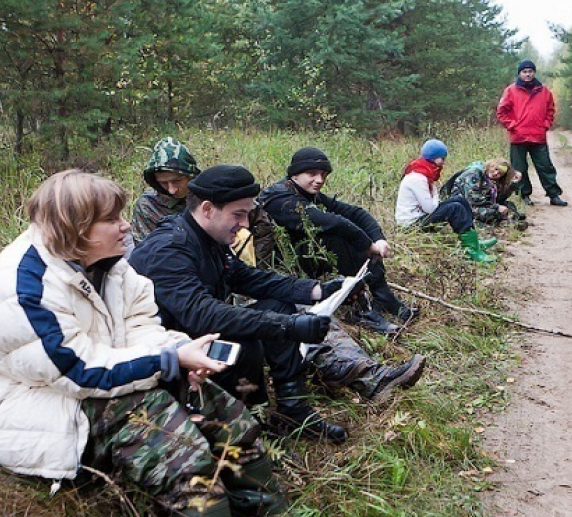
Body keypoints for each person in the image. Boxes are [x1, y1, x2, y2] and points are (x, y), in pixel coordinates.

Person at [0, 170, 286, 517]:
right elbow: (79, 371)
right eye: (111, 219)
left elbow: (140, 326)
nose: (125, 226)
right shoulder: (24, 288)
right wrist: (170, 362)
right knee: (172, 441)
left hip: (81, 376)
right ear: (74, 228)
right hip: (22, 404)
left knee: (223, 410)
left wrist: (178, 352)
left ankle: (269, 513)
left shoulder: (110, 264)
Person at [130, 165, 426, 445]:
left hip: (194, 340)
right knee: (257, 335)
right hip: (169, 357)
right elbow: (201, 314)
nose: (244, 224)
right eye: (238, 214)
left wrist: (317, 290)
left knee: (278, 307)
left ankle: (294, 412)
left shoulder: (207, 237)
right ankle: (248, 423)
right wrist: (287, 327)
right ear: (207, 209)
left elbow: (247, 278)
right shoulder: (168, 249)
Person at [260, 147, 414, 336]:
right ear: (295, 175)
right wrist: (368, 245)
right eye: (312, 173)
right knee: (336, 237)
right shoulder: (280, 198)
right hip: (276, 267)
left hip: (301, 257)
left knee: (351, 230)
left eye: (323, 175)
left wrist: (378, 239)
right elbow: (331, 222)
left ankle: (383, 297)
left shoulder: (308, 194)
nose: (319, 180)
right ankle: (359, 310)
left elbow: (355, 213)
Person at [394, 139, 498, 263]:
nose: (443, 162)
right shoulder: (418, 178)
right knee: (455, 208)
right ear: (434, 158)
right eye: (442, 159)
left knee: (460, 200)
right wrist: (435, 190)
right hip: (411, 224)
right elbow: (430, 208)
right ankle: (472, 251)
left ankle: (474, 242)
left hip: (420, 215)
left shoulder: (424, 172)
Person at [496, 60, 568, 207]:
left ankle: (554, 195)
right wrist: (512, 125)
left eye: (530, 71)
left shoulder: (544, 91)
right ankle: (524, 196)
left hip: (538, 136)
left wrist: (545, 125)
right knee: (519, 169)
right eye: (524, 72)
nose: (528, 74)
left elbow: (550, 110)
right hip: (518, 136)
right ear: (520, 73)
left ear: (534, 72)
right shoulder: (511, 90)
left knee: (545, 166)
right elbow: (501, 112)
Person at [130, 137, 200, 244]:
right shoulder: (148, 205)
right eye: (163, 183)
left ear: (190, 176)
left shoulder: (207, 194)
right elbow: (145, 253)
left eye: (177, 181)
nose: (172, 190)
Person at [449, 158, 527, 230]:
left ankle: (506, 221)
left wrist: (513, 184)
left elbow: (498, 198)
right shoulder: (474, 173)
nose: (496, 173)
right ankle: (505, 222)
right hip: (462, 206)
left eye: (500, 173)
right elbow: (474, 200)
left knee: (508, 205)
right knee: (490, 212)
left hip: (475, 204)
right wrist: (496, 207)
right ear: (491, 165)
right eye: (496, 169)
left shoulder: (489, 178)